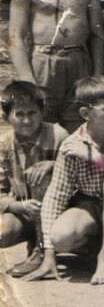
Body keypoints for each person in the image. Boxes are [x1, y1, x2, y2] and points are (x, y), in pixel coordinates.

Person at [26, 77, 104, 285]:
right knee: (61, 237)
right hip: (93, 208)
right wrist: (49, 253)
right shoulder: (72, 145)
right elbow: (56, 196)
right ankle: (93, 252)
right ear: (86, 114)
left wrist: (96, 158)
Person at [9, 0, 104, 131]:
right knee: (41, 129)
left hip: (78, 62)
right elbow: (16, 36)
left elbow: (97, 35)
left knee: (79, 128)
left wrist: (97, 76)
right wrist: (27, 79)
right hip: (42, 62)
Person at [0, 82, 69, 277]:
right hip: (24, 209)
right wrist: (18, 206)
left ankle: (42, 249)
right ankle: (34, 242)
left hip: (60, 207)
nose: (26, 120)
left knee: (42, 173)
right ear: (7, 117)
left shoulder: (58, 135)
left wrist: (54, 165)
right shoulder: (4, 144)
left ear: (42, 112)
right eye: (19, 114)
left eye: (32, 113)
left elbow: (76, 171)